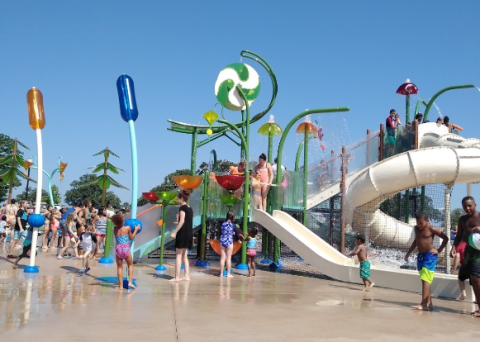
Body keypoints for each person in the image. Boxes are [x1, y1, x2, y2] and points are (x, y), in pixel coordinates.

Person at [404, 212, 449, 311]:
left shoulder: (431, 229)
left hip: (430, 255)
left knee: (426, 278)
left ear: (427, 221)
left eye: (421, 223)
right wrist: (408, 253)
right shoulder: (416, 229)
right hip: (421, 255)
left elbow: (445, 238)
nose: (419, 225)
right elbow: (415, 242)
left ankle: (424, 304)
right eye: (418, 223)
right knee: (424, 279)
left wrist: (438, 250)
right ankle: (429, 303)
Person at [451, 196, 480, 312]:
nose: (467, 208)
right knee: (473, 280)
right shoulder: (462, 219)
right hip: (469, 251)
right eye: (464, 206)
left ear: (475, 205)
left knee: (476, 277)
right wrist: (454, 247)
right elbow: (459, 236)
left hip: (479, 252)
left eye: (469, 206)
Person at [169, 190, 193, 282]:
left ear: (182, 198)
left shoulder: (182, 208)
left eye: (178, 198)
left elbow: (182, 221)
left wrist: (174, 232)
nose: (178, 200)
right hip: (189, 233)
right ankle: (187, 276)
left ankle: (177, 277)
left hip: (182, 233)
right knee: (184, 256)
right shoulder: (190, 208)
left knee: (178, 255)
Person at [112, 214, 140, 290]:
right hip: (126, 249)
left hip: (118, 249)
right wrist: (136, 230)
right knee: (130, 265)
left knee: (119, 267)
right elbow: (131, 238)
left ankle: (120, 286)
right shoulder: (127, 228)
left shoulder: (115, 229)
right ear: (123, 221)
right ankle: (130, 282)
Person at [218, 211, 236, 278]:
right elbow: (237, 233)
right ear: (233, 217)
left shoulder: (223, 224)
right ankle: (228, 274)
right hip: (229, 241)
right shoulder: (233, 225)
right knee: (228, 258)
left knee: (222, 258)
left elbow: (221, 232)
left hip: (223, 240)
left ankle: (221, 274)